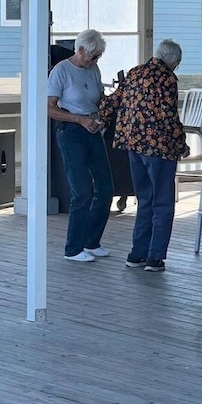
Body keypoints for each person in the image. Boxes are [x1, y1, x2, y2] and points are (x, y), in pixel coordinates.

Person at [100, 39, 189, 272]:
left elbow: (113, 102)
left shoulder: (135, 72)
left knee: (145, 200)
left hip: (133, 145)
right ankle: (155, 257)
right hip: (159, 148)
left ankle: (137, 254)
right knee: (162, 202)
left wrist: (95, 117)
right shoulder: (167, 79)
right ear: (173, 62)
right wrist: (182, 144)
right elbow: (169, 116)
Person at [47, 29, 113, 263]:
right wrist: (79, 120)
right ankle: (73, 248)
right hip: (71, 132)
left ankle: (92, 242)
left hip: (92, 129)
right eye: (92, 56)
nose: (94, 61)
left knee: (105, 187)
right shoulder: (61, 71)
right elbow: (50, 109)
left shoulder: (93, 69)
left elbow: (100, 98)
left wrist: (101, 117)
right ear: (80, 49)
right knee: (82, 190)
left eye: (98, 57)